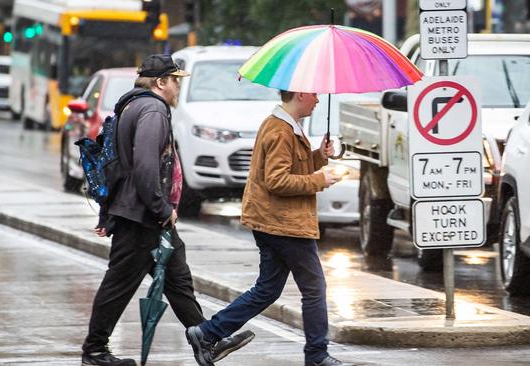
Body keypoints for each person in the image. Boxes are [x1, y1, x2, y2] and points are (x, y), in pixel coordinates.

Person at [81, 54, 254, 366]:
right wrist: (162, 209)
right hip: (142, 216)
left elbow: (120, 165)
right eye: (175, 81)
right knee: (118, 284)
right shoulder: (153, 110)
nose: (177, 88)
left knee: (177, 277)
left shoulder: (132, 106)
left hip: (139, 212)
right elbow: (146, 166)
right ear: (161, 82)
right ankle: (94, 351)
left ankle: (205, 338)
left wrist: (111, 212)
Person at [185, 91, 354, 366]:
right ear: (300, 94)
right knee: (314, 288)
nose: (318, 100)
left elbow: (291, 167)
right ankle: (317, 356)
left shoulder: (284, 125)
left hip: (274, 221)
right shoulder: (280, 129)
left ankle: (207, 333)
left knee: (268, 289)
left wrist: (318, 157)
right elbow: (277, 180)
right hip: (284, 223)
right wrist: (319, 180)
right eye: (314, 94)